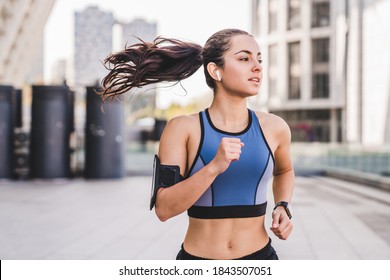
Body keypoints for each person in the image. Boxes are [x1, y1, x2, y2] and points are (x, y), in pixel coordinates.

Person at [100, 28, 294, 260]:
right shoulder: (182, 129)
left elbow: (284, 170)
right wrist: (214, 167)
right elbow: (164, 209)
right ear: (215, 71)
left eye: (259, 59)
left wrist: (282, 205)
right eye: (244, 58)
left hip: (260, 259)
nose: (257, 66)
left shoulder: (275, 128)